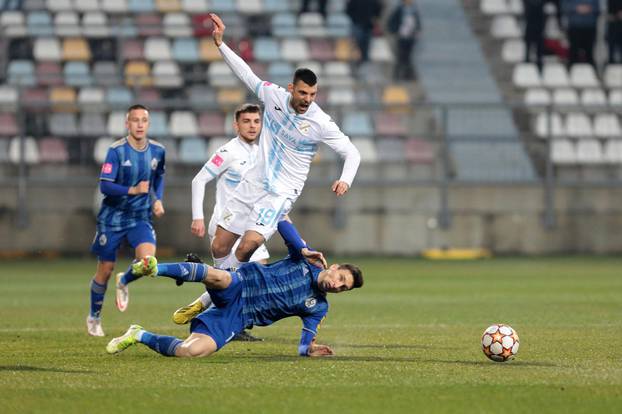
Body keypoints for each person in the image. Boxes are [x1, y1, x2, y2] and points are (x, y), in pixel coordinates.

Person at [206, 13, 361, 272]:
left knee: (248, 245)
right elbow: (246, 74)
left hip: (282, 191)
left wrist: (345, 179)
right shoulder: (273, 96)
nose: (307, 99)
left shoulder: (320, 122)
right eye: (302, 92)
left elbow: (352, 152)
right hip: (254, 179)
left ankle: (213, 293)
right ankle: (221, 289)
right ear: (291, 88)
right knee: (219, 247)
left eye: (312, 94)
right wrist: (221, 44)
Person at [106, 220, 363, 358]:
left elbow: (302, 346)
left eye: (343, 287)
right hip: (242, 283)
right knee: (219, 277)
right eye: (340, 277)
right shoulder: (306, 258)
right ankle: (154, 268)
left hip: (238, 317)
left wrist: (309, 350)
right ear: (334, 266)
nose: (337, 285)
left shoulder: (318, 307)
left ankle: (138, 334)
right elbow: (282, 220)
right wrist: (302, 247)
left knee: (190, 352)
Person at [182, 103, 268, 341]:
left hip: (250, 224)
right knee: (235, 277)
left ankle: (203, 304)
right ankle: (227, 323)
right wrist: (197, 216)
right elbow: (198, 180)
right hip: (226, 224)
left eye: (256, 121)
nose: (252, 126)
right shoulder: (228, 152)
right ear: (236, 124)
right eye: (247, 121)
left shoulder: (263, 152)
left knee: (253, 273)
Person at [87, 104, 166, 336]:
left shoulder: (158, 151)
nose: (139, 124)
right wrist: (132, 190)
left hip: (140, 217)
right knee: (105, 269)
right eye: (135, 120)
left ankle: (125, 281)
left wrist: (157, 200)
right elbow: (105, 185)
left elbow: (159, 176)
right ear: (127, 123)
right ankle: (94, 316)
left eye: (144, 120)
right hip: (112, 219)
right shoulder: (116, 151)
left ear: (148, 124)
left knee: (148, 262)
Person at [387, 0, 422, 80]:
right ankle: (396, 75)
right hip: (402, 36)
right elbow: (391, 22)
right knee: (400, 57)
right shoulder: (399, 9)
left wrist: (418, 30)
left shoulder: (414, 10)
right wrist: (395, 31)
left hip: (411, 37)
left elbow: (417, 22)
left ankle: (407, 75)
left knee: (408, 57)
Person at [562, 0, 600, 68]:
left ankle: (592, 73)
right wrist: (576, 8)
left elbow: (598, 8)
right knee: (573, 51)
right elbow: (564, 6)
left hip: (590, 26)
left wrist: (589, 8)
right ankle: (571, 72)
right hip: (574, 26)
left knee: (589, 51)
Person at [522, 0, 546, 72]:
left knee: (539, 51)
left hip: (539, 26)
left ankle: (539, 68)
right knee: (528, 48)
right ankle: (526, 66)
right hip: (530, 24)